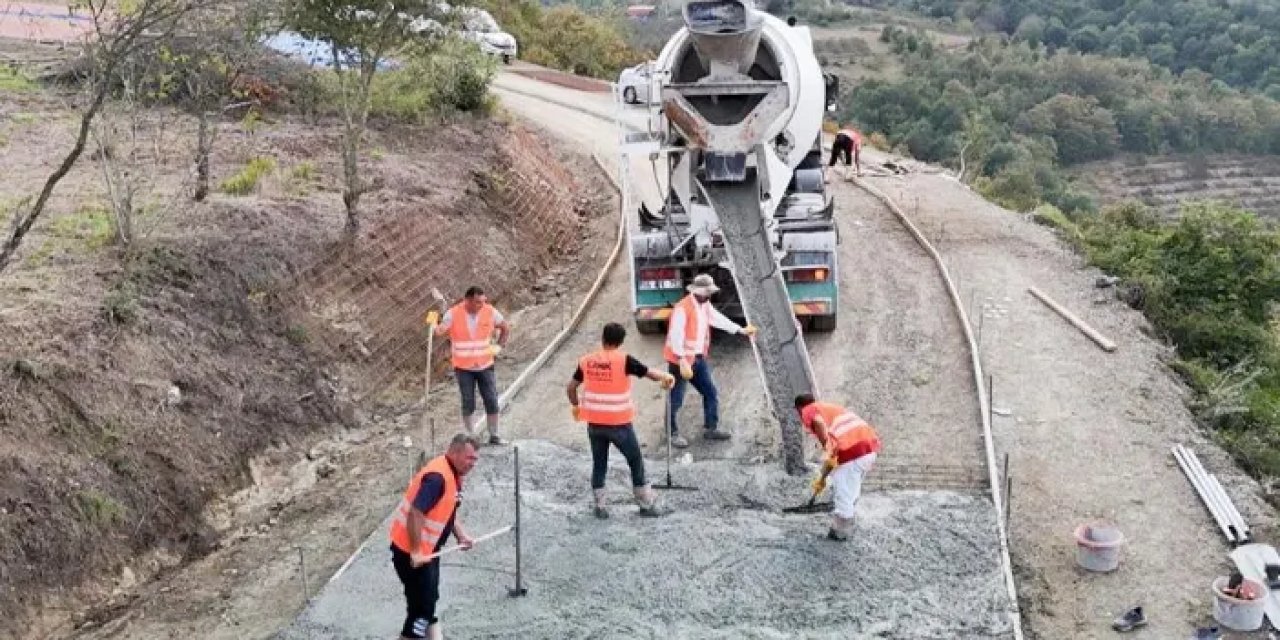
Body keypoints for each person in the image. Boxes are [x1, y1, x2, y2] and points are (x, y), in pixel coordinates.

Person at [567, 322, 676, 519]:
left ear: (603, 339)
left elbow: (571, 387)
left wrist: (576, 406)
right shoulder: (623, 360)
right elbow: (650, 373)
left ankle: (600, 507)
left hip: (594, 424)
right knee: (635, 461)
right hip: (619, 424)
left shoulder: (587, 361)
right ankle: (646, 504)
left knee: (599, 463)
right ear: (621, 342)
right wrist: (666, 377)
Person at [389, 433, 479, 640]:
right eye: (469, 458)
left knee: (427, 601)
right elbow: (415, 512)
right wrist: (416, 551)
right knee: (421, 612)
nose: (473, 464)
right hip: (411, 555)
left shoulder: (452, 474)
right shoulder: (438, 478)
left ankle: (428, 635)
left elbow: (447, 511)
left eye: (475, 459)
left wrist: (460, 535)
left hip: (427, 554)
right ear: (455, 453)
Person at [664, 273, 757, 448]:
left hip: (697, 359)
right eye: (708, 292)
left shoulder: (704, 305)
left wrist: (740, 330)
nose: (710, 295)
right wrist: (681, 359)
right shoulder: (683, 308)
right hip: (681, 362)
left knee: (710, 392)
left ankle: (711, 428)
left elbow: (717, 319)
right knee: (676, 398)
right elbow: (676, 336)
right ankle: (672, 434)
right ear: (699, 291)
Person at [426, 287, 510, 445]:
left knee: (491, 400)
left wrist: (500, 346)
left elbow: (505, 327)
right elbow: (440, 330)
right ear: (468, 300)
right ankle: (471, 437)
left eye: (483, 301)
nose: (482, 305)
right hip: (464, 368)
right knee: (468, 401)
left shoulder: (489, 311)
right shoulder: (453, 314)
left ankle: (495, 435)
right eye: (478, 302)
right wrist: (433, 324)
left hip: (485, 365)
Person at [794, 394, 881, 541]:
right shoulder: (829, 409)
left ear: (799, 409)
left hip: (853, 451)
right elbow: (833, 459)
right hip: (869, 450)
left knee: (843, 491)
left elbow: (818, 423)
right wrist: (822, 479)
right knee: (850, 487)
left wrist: (827, 447)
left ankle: (840, 532)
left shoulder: (809, 410)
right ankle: (848, 518)